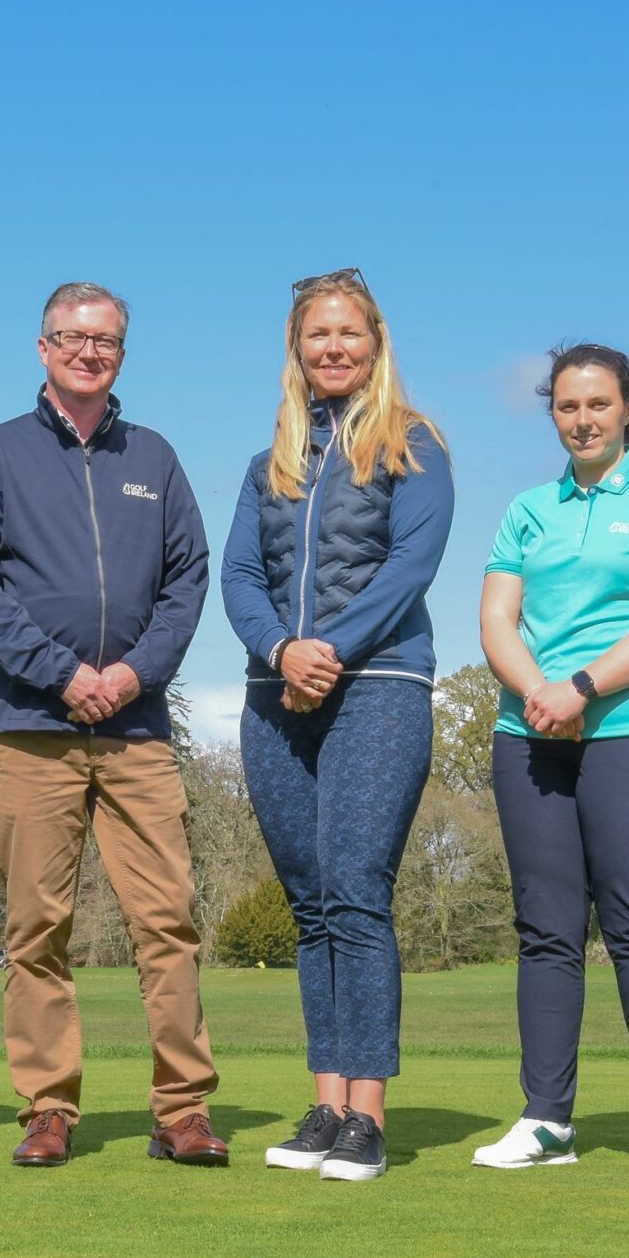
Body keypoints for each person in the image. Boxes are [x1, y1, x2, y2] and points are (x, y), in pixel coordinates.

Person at [0, 281, 222, 1168]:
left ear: (122, 354)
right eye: (72, 337)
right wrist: (62, 673)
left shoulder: (156, 457)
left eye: (105, 341)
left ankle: (182, 1110)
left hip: (136, 730)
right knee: (37, 929)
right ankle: (48, 1109)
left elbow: (187, 579)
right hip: (32, 726)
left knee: (167, 922)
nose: (88, 352)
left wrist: (133, 673)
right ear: (43, 347)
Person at [221, 269, 453, 1182]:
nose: (333, 347)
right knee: (311, 903)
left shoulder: (415, 444)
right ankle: (325, 1107)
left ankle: (368, 1118)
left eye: (348, 332)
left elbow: (410, 567)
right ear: (297, 347)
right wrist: (283, 652)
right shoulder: (268, 462)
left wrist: (330, 652)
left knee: (356, 891)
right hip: (274, 695)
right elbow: (241, 576)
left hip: (380, 686)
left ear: (375, 342)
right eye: (317, 334)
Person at [470, 343, 629, 1177]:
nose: (583, 421)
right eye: (568, 407)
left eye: (598, 405)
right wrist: (539, 694)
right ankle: (547, 1120)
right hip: (530, 733)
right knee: (546, 931)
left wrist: (580, 688)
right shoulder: (528, 509)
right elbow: (496, 619)